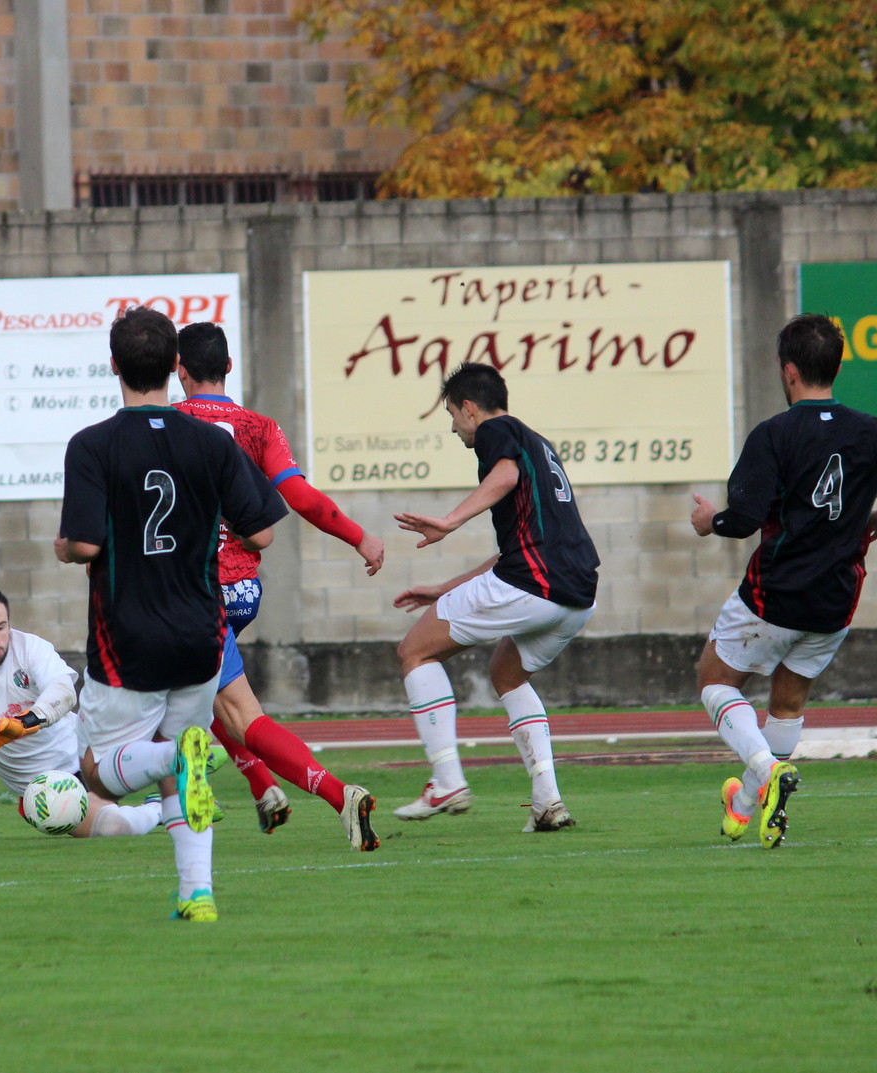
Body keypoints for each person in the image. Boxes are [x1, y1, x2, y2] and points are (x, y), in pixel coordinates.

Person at [56, 305, 287, 923]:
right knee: (181, 767)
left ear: (113, 366)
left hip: (127, 636)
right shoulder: (211, 443)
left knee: (96, 772)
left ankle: (172, 755)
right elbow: (262, 533)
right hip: (201, 636)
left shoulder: (92, 445)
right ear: (174, 366)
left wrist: (64, 548)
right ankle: (197, 893)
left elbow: (82, 546)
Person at [691, 313, 877, 849]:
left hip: (774, 593)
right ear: (835, 368)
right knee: (788, 704)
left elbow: (744, 518)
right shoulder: (872, 431)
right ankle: (748, 806)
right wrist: (876, 520)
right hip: (836, 600)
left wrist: (711, 522)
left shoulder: (775, 433)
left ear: (789, 370)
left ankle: (767, 774)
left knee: (713, 681)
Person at [174, 321, 381, 851]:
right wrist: (359, 538)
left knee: (232, 710)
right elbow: (302, 499)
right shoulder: (260, 428)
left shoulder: (168, 426)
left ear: (180, 371)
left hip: (194, 594)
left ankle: (336, 794)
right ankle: (262, 786)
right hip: (243, 592)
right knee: (207, 695)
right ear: (228, 368)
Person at [391, 362, 600, 832]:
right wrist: (446, 589)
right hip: (578, 592)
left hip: (535, 582)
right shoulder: (537, 443)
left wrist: (449, 520)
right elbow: (518, 550)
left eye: (451, 415)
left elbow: (503, 476)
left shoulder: (496, 431)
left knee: (415, 652)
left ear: (469, 408)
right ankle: (547, 801)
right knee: (506, 672)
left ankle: (446, 780)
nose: (453, 428)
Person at [0, 579, 165, 838]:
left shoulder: (30, 648)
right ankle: (162, 809)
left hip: (87, 754)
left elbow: (64, 692)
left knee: (151, 705)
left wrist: (25, 722)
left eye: (0, 627)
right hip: (42, 788)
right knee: (116, 827)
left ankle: (177, 764)